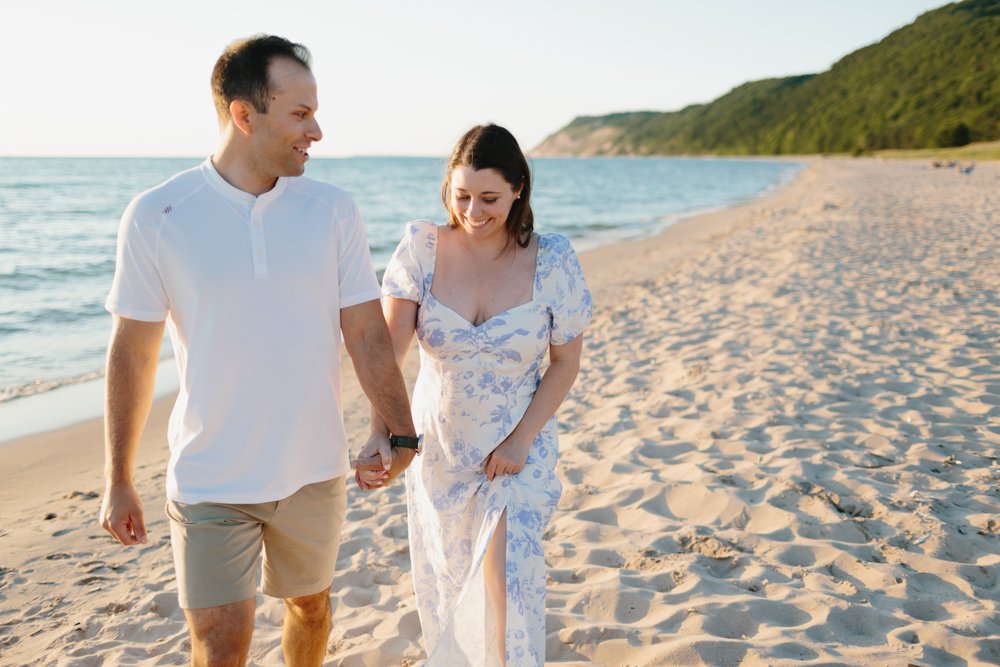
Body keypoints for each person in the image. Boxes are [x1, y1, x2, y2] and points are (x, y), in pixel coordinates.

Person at [99, 35, 417, 666]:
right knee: (220, 642)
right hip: (210, 473)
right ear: (244, 115)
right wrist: (117, 478)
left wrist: (401, 435)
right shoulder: (157, 214)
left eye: (314, 112)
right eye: (300, 114)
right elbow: (133, 351)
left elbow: (365, 331)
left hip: (312, 467)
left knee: (310, 609)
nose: (317, 131)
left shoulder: (331, 210)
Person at [356, 124, 593, 666]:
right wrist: (381, 432)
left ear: (517, 190)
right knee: (453, 582)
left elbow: (565, 363)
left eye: (489, 198)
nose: (473, 210)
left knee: (510, 574)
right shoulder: (422, 247)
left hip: (517, 446)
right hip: (440, 446)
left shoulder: (553, 259)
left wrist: (520, 439)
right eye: (461, 196)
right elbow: (387, 355)